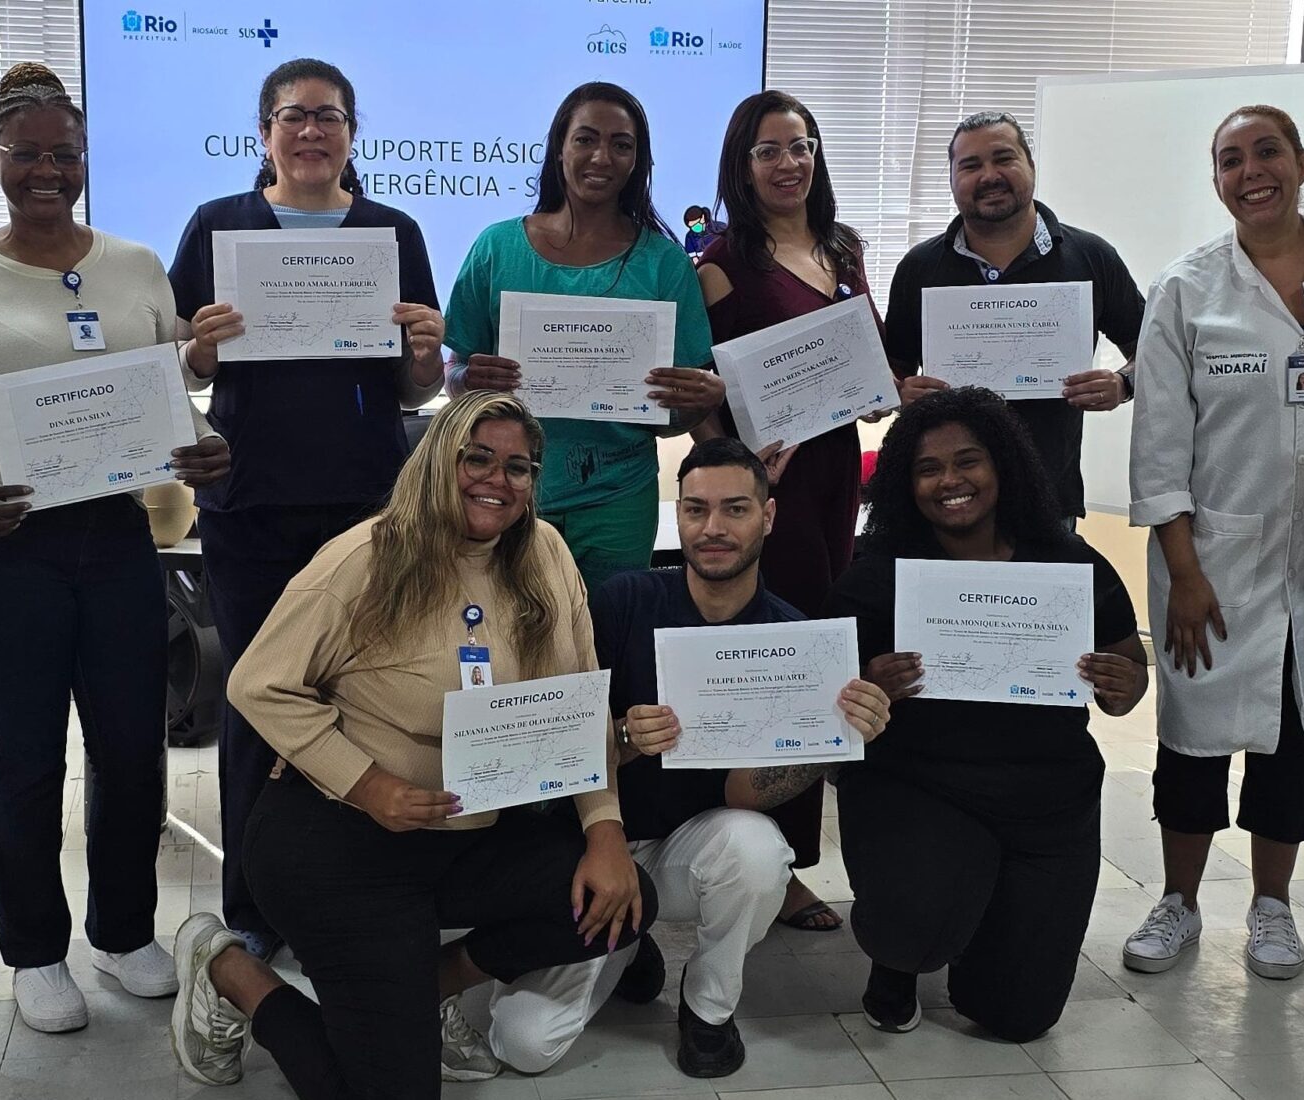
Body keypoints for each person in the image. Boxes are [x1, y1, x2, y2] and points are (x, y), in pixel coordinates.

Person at [170, 392, 654, 1100]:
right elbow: (257, 684)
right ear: (436, 462)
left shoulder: (546, 553)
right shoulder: (365, 556)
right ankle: (232, 972)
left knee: (621, 901)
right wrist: (369, 785)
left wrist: (604, 831)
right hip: (339, 845)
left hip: (471, 835)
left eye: (518, 466)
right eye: (477, 458)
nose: (497, 479)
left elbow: (578, 704)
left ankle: (422, 990)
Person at [0, 63, 232, 1035]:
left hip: (116, 534)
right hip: (2, 541)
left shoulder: (135, 265)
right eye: (28, 153)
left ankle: (123, 932)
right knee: (30, 749)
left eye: (65, 154)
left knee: (133, 747)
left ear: (85, 159)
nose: (46, 171)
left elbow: (169, 393)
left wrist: (204, 442)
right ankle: (35, 951)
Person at [483, 437, 890, 1078]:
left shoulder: (792, 641)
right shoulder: (623, 600)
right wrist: (622, 737)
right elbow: (552, 744)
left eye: (735, 509)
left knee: (756, 851)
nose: (713, 528)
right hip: (591, 843)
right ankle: (629, 944)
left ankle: (708, 1010)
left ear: (768, 516)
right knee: (523, 1043)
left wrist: (834, 737)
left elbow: (741, 796)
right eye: (696, 509)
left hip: (687, 851)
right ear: (678, 515)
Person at [166, 57, 446, 963]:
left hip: (367, 505)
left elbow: (416, 388)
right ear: (265, 134)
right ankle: (254, 907)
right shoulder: (216, 226)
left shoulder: (393, 231)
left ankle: (353, 893)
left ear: (352, 134)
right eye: (294, 116)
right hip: (249, 505)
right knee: (258, 702)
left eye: (329, 116)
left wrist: (426, 355)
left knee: (364, 703)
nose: (312, 131)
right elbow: (177, 365)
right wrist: (200, 354)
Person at [1122, 105, 1304, 983]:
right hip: (1214, 558)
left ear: (1301, 161)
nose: (1251, 172)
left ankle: (1273, 907)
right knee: (1191, 742)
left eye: (1266, 151)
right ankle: (1179, 901)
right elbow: (1160, 446)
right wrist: (1185, 573)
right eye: (1230, 160)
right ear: (1217, 182)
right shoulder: (1185, 288)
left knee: (1292, 742)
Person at [833, 387, 1148, 1041]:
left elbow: (1127, 673)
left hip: (1047, 797)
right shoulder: (876, 573)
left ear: (1002, 464)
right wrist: (870, 683)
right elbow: (829, 695)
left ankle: (983, 925)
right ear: (905, 484)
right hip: (920, 785)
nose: (950, 481)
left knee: (1017, 1017)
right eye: (928, 468)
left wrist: (1124, 684)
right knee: (912, 931)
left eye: (968, 461)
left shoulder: (1068, 562)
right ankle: (898, 963)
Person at [695, 90, 891, 931]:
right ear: (742, 166)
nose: (790, 163)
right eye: (770, 150)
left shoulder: (843, 249)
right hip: (771, 491)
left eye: (802, 145)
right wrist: (740, 470)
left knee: (824, 656)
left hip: (836, 480)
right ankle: (755, 855)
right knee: (777, 658)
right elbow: (702, 398)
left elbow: (867, 359)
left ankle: (793, 859)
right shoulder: (720, 262)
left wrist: (882, 390)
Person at [449, 81, 725, 590]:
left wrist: (701, 402)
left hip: (619, 501)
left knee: (609, 632)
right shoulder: (496, 248)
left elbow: (670, 418)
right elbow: (455, 375)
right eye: (586, 139)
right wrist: (467, 379)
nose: (602, 157)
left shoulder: (664, 263)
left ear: (637, 161)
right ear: (560, 147)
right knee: (503, 631)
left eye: (621, 144)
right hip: (505, 492)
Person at [885, 111, 1145, 531]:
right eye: (970, 165)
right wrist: (900, 393)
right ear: (951, 179)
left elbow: (1152, 350)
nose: (989, 175)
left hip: (1047, 503)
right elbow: (892, 373)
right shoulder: (919, 268)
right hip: (946, 500)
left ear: (1031, 166)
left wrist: (1122, 384)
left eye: (1003, 158)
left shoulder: (1091, 257)